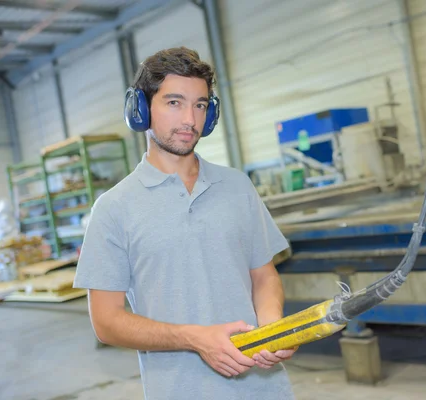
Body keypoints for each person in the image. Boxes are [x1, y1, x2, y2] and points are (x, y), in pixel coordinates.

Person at [73, 47, 296, 399]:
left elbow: (264, 276)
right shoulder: (114, 208)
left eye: (201, 105)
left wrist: (272, 329)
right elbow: (106, 322)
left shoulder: (237, 186)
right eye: (174, 102)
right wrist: (194, 339)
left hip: (267, 389)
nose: (190, 120)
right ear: (141, 109)